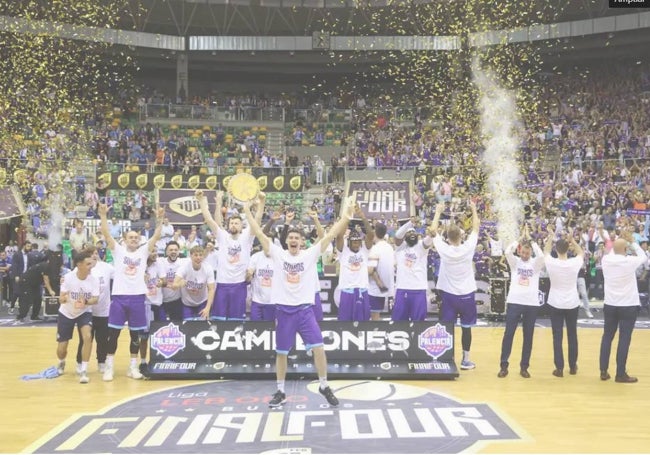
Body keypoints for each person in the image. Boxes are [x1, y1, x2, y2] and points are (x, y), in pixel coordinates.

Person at [242, 196, 355, 408]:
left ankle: (323, 384)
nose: (294, 240)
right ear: (287, 241)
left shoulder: (309, 254)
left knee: (319, 348)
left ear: (302, 241)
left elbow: (330, 235)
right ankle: (281, 391)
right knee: (281, 353)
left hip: (304, 311)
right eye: (291, 237)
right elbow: (257, 231)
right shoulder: (277, 254)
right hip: (283, 312)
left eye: (297, 237)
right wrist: (247, 210)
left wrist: (346, 216)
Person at [98, 202, 163, 382]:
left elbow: (157, 236)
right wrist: (103, 216)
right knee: (114, 334)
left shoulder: (143, 252)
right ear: (125, 240)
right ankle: (109, 367)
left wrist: (159, 219)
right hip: (119, 297)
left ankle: (133, 367)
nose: (134, 239)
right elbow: (106, 234)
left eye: (136, 237)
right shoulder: (118, 251)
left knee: (135, 335)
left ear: (139, 240)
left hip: (137, 298)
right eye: (130, 237)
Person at [195, 189, 264, 321]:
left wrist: (261, 203)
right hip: (222, 283)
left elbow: (258, 219)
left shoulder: (247, 237)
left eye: (236, 223)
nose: (233, 225)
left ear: (241, 226)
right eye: (231, 223)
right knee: (219, 320)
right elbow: (209, 219)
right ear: (228, 225)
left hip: (239, 285)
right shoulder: (222, 236)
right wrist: (201, 201)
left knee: (236, 321)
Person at [430, 200, 479, 370]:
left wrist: (438, 211)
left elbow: (432, 231)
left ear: (448, 238)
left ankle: (446, 358)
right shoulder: (468, 247)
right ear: (460, 235)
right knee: (466, 328)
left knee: (447, 328)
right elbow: (476, 228)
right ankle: (465, 360)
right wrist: (473, 209)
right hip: (466, 295)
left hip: (449, 295)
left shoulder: (444, 249)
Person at [498, 226, 545, 379]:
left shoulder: (535, 264)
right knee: (509, 334)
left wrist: (531, 240)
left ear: (530, 252)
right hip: (514, 302)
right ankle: (504, 366)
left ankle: (524, 367)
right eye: (523, 252)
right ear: (519, 251)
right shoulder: (515, 262)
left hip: (531, 304)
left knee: (528, 336)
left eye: (527, 252)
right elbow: (507, 252)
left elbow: (542, 256)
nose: (525, 254)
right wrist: (518, 239)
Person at [599, 229, 646, 383]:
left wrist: (620, 240)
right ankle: (620, 373)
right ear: (626, 250)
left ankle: (603, 370)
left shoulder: (606, 260)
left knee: (607, 337)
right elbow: (643, 256)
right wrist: (631, 240)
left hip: (611, 304)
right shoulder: (629, 261)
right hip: (628, 305)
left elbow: (614, 251)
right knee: (624, 339)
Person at [543, 226, 584, 377]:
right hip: (572, 302)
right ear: (568, 249)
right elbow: (581, 253)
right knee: (572, 335)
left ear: (557, 249)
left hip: (555, 302)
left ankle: (559, 368)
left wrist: (551, 236)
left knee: (557, 336)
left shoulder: (552, 262)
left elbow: (546, 252)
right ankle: (573, 366)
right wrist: (573, 240)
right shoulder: (574, 263)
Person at [56, 249, 99, 384]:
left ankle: (84, 370)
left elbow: (95, 299)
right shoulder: (68, 278)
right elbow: (61, 299)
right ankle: (61, 362)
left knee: (87, 337)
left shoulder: (94, 280)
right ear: (79, 265)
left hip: (84, 312)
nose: (90, 267)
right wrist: (63, 298)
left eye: (91, 264)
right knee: (62, 348)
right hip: (66, 312)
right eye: (87, 264)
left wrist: (85, 302)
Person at [75, 246, 114, 374]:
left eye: (96, 253)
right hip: (87, 311)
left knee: (102, 339)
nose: (93, 256)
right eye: (90, 254)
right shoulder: (81, 268)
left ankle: (101, 362)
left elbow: (121, 274)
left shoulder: (107, 267)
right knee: (85, 339)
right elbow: (71, 277)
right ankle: (80, 362)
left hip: (104, 311)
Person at [334, 205, 374, 321]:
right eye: (353, 242)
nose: (356, 244)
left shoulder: (364, 251)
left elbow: (371, 236)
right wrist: (347, 217)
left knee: (364, 323)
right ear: (349, 243)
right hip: (347, 291)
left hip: (362, 290)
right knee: (345, 323)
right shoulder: (343, 252)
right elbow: (339, 236)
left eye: (358, 242)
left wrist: (363, 217)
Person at [392, 218, 434, 321]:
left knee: (419, 323)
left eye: (414, 232)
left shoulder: (421, 246)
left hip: (419, 289)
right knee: (399, 323)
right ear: (405, 237)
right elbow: (397, 235)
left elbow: (429, 239)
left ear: (417, 236)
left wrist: (431, 234)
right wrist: (410, 223)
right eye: (409, 232)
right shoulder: (400, 247)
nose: (412, 234)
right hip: (402, 288)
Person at [172, 245, 215, 321]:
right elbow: (174, 285)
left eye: (200, 255)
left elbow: (211, 289)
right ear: (190, 256)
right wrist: (179, 284)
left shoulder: (208, 268)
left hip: (202, 301)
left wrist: (208, 308)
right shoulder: (184, 267)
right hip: (187, 303)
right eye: (195, 255)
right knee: (188, 326)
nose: (198, 257)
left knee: (203, 325)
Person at [367, 223, 395, 321]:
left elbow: (370, 270)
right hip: (388, 288)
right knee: (379, 315)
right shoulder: (390, 247)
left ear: (374, 232)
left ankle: (373, 335)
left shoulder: (375, 249)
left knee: (374, 316)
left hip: (376, 289)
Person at [157, 241, 186, 321]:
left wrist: (179, 284)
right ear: (166, 252)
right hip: (161, 301)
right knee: (160, 326)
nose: (173, 252)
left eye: (176, 250)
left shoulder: (183, 262)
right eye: (171, 250)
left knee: (177, 325)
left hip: (176, 300)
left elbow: (185, 281)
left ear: (179, 251)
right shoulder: (160, 261)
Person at [246, 248, 276, 321]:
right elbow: (248, 277)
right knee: (255, 329)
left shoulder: (278, 257)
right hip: (257, 300)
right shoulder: (255, 257)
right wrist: (249, 274)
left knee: (270, 329)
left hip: (272, 301)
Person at [9, 241, 31, 315]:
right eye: (28, 246)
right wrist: (16, 275)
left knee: (24, 293)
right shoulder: (17, 254)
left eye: (30, 246)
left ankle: (22, 309)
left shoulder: (29, 255)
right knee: (16, 292)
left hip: (26, 276)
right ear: (24, 246)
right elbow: (14, 265)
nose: (29, 248)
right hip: (18, 276)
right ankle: (12, 306)